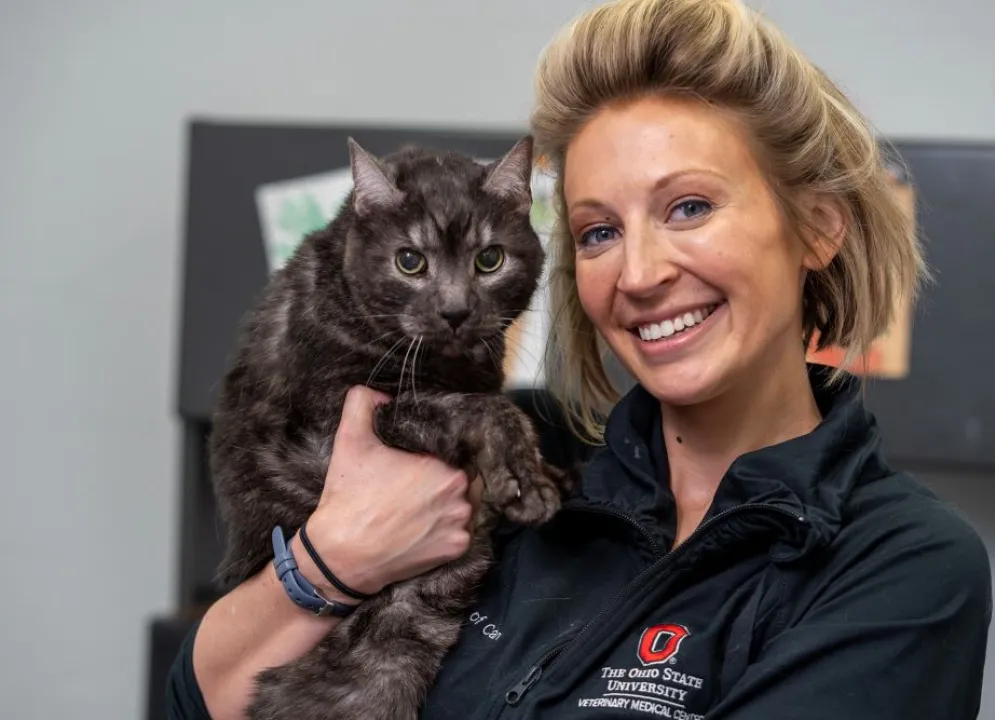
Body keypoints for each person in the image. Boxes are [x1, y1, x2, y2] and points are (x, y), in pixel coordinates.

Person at [167, 0, 993, 717]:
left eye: (689, 207)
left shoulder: (904, 566)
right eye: (599, 231)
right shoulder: (499, 459)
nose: (638, 274)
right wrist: (332, 562)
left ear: (815, 227)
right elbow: (200, 702)